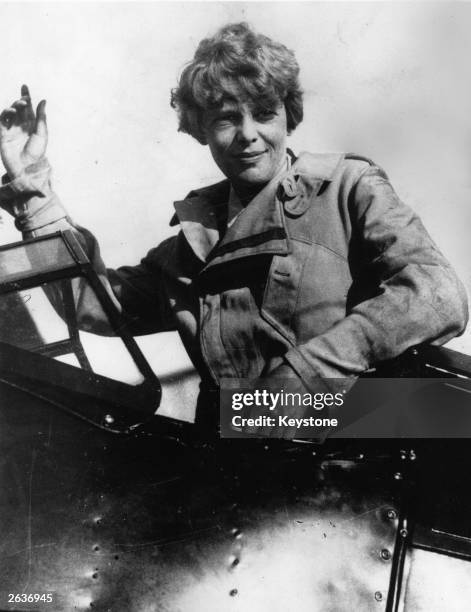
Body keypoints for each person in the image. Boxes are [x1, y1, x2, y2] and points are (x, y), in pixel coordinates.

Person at [0, 22, 467, 433]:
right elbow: (94, 307)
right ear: (199, 127)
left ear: (288, 115)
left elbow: (436, 295)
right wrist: (33, 193)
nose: (247, 134)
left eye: (264, 113)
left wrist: (303, 378)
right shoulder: (189, 244)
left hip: (349, 461)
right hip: (236, 468)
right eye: (226, 118)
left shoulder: (347, 188)